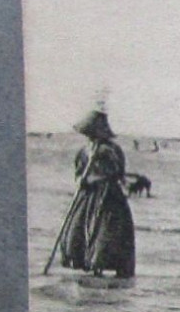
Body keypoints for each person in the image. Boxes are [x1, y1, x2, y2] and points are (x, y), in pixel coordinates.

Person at [58, 111, 136, 279]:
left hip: (108, 195)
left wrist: (98, 176)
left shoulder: (112, 150)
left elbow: (118, 172)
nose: (90, 137)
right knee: (79, 228)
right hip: (87, 195)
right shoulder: (84, 151)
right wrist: (80, 180)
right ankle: (84, 263)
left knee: (105, 230)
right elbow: (78, 171)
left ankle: (100, 265)